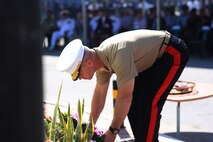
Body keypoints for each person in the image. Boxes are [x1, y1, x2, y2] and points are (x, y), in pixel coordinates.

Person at [56, 29, 189, 142]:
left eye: (78, 74)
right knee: (134, 105)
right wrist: (89, 127)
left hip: (171, 52)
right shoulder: (100, 61)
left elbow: (125, 96)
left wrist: (113, 131)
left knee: (148, 103)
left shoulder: (118, 54)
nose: (79, 78)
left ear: (89, 63)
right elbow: (99, 95)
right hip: (152, 60)